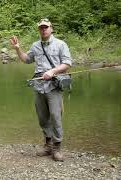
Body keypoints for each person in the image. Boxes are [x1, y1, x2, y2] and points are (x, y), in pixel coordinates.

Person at [10, 18, 72, 161]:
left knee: (56, 117)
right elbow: (26, 59)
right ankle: (48, 145)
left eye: (46, 27)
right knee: (43, 118)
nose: (43, 30)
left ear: (51, 28)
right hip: (39, 86)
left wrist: (52, 72)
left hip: (54, 86)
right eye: (41, 28)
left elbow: (67, 64)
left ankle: (57, 148)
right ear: (39, 30)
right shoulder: (35, 45)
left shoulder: (61, 44)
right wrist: (18, 48)